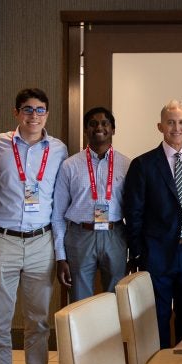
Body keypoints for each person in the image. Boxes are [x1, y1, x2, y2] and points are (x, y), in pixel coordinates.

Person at [0, 88, 68, 364]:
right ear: (16, 112)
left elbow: (59, 202)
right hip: (1, 239)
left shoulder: (58, 149)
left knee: (38, 320)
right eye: (28, 110)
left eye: (40, 110)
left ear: (47, 114)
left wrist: (60, 251)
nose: (34, 116)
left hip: (40, 242)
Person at [123, 100, 182, 348]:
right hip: (157, 254)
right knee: (158, 318)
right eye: (170, 122)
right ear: (160, 126)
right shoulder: (143, 165)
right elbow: (133, 213)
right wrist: (140, 252)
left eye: (181, 122)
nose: (176, 127)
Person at [52, 106, 130, 302]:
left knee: (116, 298)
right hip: (80, 236)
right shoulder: (69, 165)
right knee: (80, 301)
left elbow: (133, 208)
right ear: (86, 129)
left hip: (115, 235)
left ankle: (114, 334)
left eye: (105, 123)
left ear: (113, 129)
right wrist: (60, 256)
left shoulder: (127, 165)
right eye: (93, 124)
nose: (99, 127)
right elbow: (58, 214)